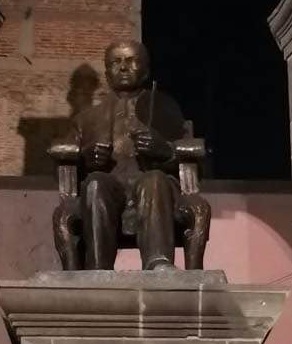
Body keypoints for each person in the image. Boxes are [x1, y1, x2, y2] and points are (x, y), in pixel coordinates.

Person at [63, 38, 208, 270]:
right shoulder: (85, 120)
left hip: (155, 189)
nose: (122, 67)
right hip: (111, 189)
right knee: (95, 184)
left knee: (153, 180)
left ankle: (158, 263)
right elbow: (67, 158)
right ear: (107, 70)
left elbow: (195, 157)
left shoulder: (166, 108)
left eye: (131, 61)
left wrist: (165, 151)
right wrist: (88, 160)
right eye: (116, 62)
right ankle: (98, 270)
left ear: (146, 69)